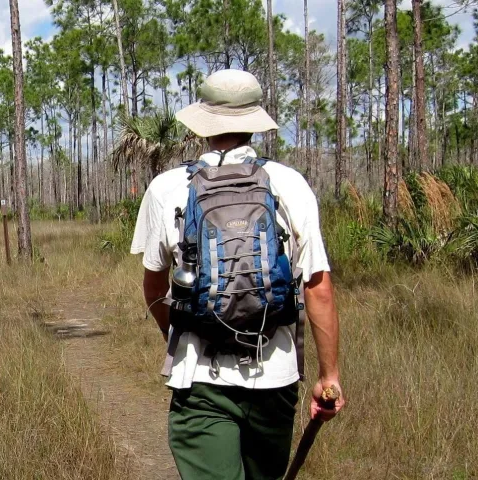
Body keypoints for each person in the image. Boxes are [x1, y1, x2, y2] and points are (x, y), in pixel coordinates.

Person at [130, 69, 344, 480]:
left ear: (203, 123)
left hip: (199, 378)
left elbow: (154, 285)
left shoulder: (167, 187)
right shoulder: (289, 184)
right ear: (254, 121)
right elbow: (318, 286)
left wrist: (178, 333)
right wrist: (329, 377)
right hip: (275, 378)